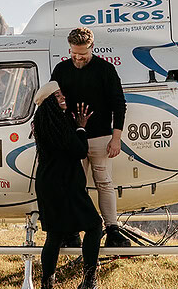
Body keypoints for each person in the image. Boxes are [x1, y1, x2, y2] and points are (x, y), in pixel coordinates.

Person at [51, 27, 129, 248]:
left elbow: (119, 105)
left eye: (82, 54)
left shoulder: (105, 69)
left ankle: (112, 229)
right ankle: (72, 232)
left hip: (101, 137)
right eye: (74, 53)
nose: (78, 58)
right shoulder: (61, 69)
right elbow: (52, 100)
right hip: (72, 139)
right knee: (74, 185)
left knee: (104, 182)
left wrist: (116, 138)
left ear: (92, 47)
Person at [31, 80, 102, 289]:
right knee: (94, 226)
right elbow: (80, 150)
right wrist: (80, 126)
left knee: (54, 236)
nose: (63, 98)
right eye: (58, 95)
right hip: (66, 185)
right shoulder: (60, 123)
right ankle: (88, 283)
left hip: (48, 184)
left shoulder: (42, 121)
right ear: (50, 101)